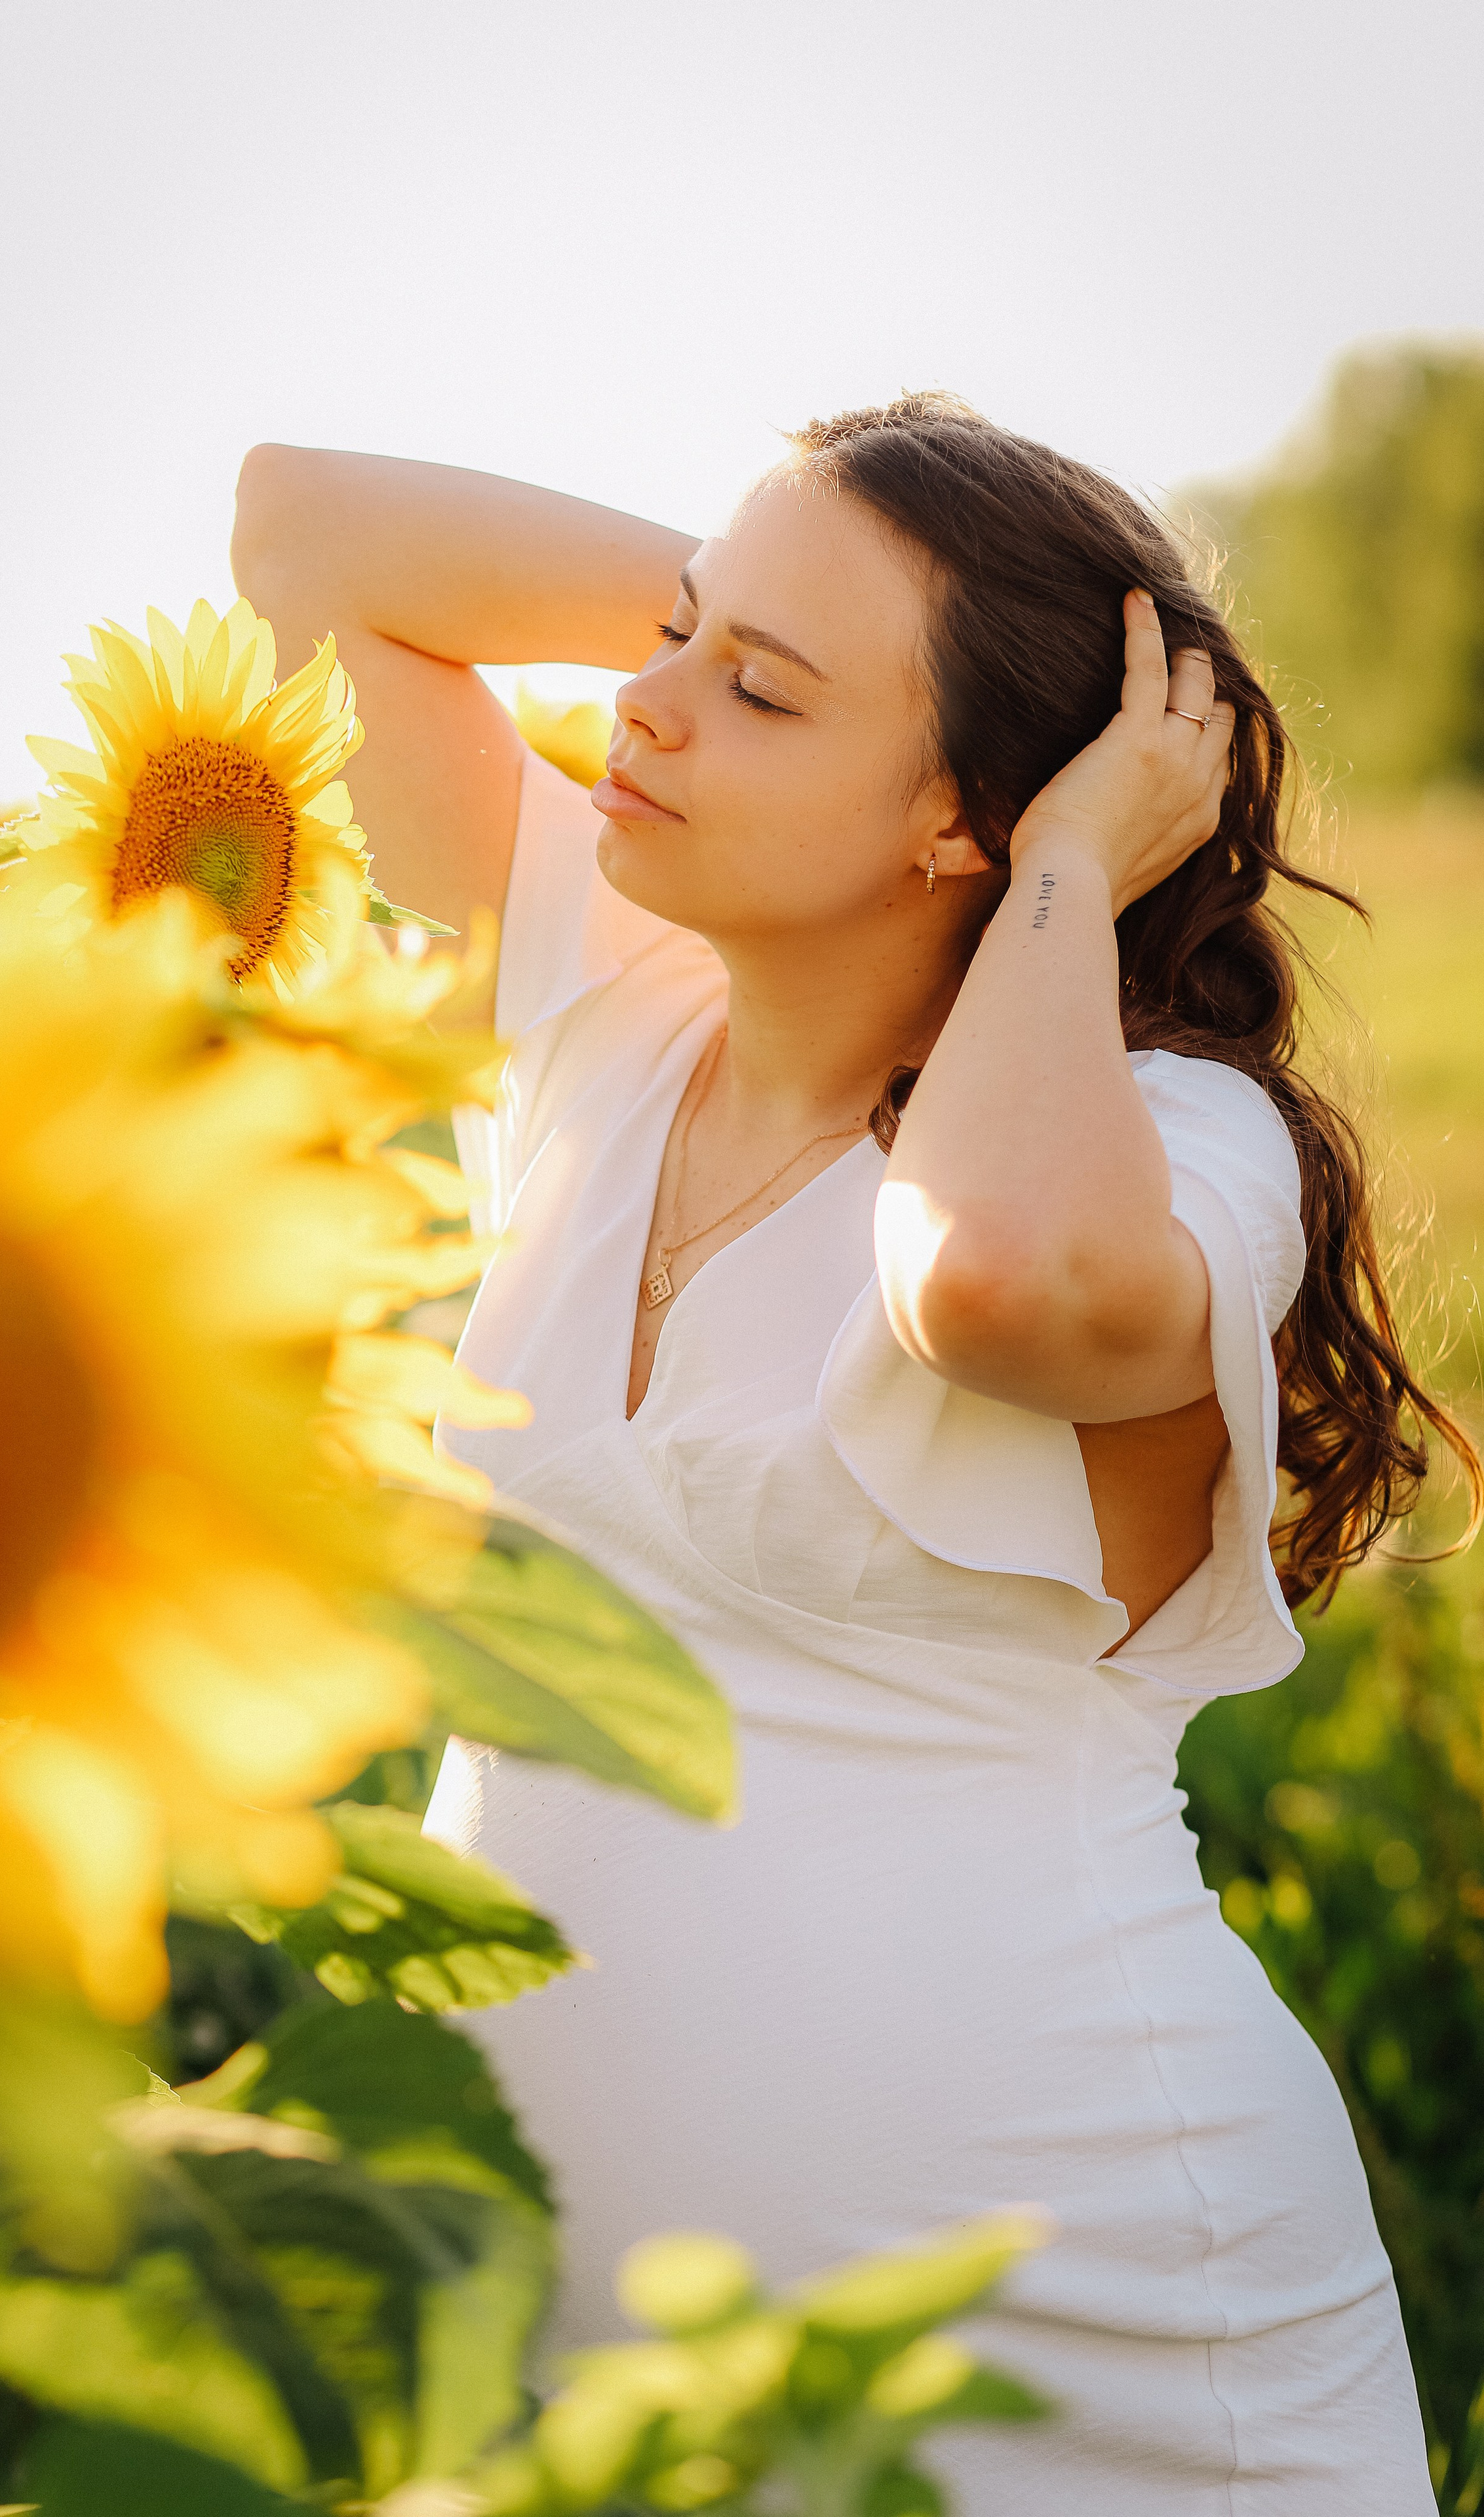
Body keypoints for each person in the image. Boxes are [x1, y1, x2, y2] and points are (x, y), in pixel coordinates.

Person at [231, 396, 1477, 2512]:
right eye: (676, 645)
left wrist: (1077, 844)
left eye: (758, 696)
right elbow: (304, 532)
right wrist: (771, 597)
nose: (643, 706)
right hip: (610, 2381)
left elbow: (981, 1280)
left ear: (961, 825)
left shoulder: (1181, 1138)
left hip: (1086, 2348)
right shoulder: (609, 1022)